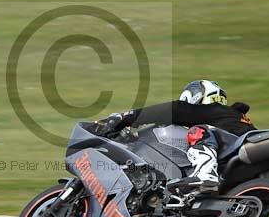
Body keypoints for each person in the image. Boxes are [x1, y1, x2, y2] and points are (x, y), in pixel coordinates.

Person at [93, 80, 256, 195]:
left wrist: (126, 117)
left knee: (197, 131)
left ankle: (205, 176)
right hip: (246, 162)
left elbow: (172, 110)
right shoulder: (232, 117)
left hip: (241, 151)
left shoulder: (211, 109)